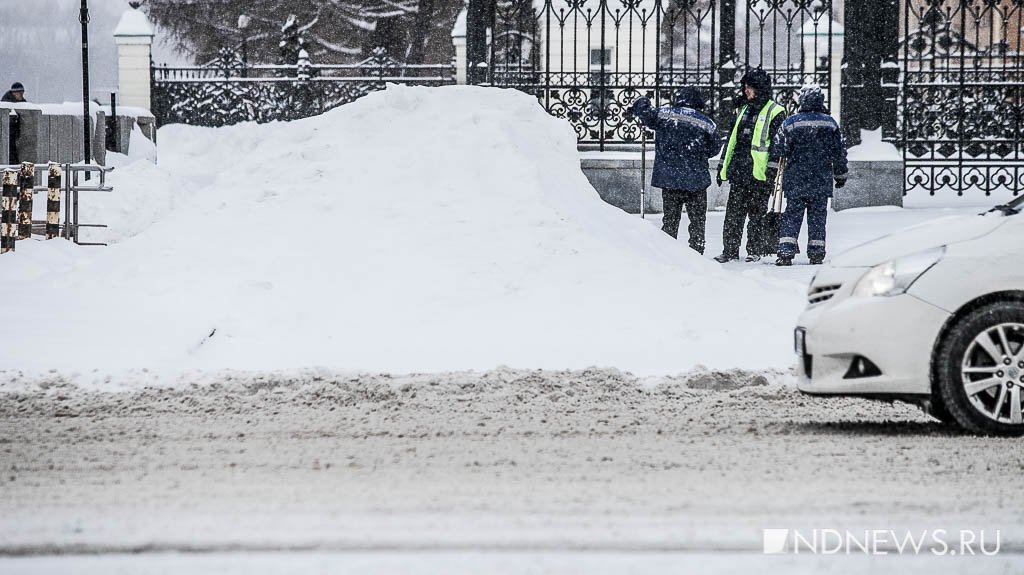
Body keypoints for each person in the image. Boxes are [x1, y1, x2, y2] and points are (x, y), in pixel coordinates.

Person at [632, 87, 721, 254]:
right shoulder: (706, 122)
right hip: (696, 180)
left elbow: (644, 112)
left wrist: (641, 101)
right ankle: (697, 251)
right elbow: (715, 148)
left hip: (670, 179)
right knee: (697, 221)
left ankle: (669, 253)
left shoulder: (664, 115)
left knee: (670, 220)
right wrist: (697, 156)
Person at [713, 67, 787, 263]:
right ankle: (729, 250)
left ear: (759, 88)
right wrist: (722, 166)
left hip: (759, 174)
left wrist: (771, 173)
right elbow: (731, 141)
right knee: (733, 214)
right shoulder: (742, 109)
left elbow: (777, 147)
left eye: (749, 87)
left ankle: (754, 250)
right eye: (745, 86)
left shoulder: (775, 111)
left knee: (757, 214)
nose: (746, 90)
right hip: (739, 170)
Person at [771, 85, 848, 266]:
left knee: (792, 215)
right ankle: (816, 253)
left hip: (796, 179)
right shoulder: (830, 123)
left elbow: (779, 148)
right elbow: (838, 152)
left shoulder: (791, 122)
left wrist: (772, 170)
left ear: (801, 101)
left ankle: (786, 252)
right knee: (818, 218)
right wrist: (840, 175)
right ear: (821, 101)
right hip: (820, 180)